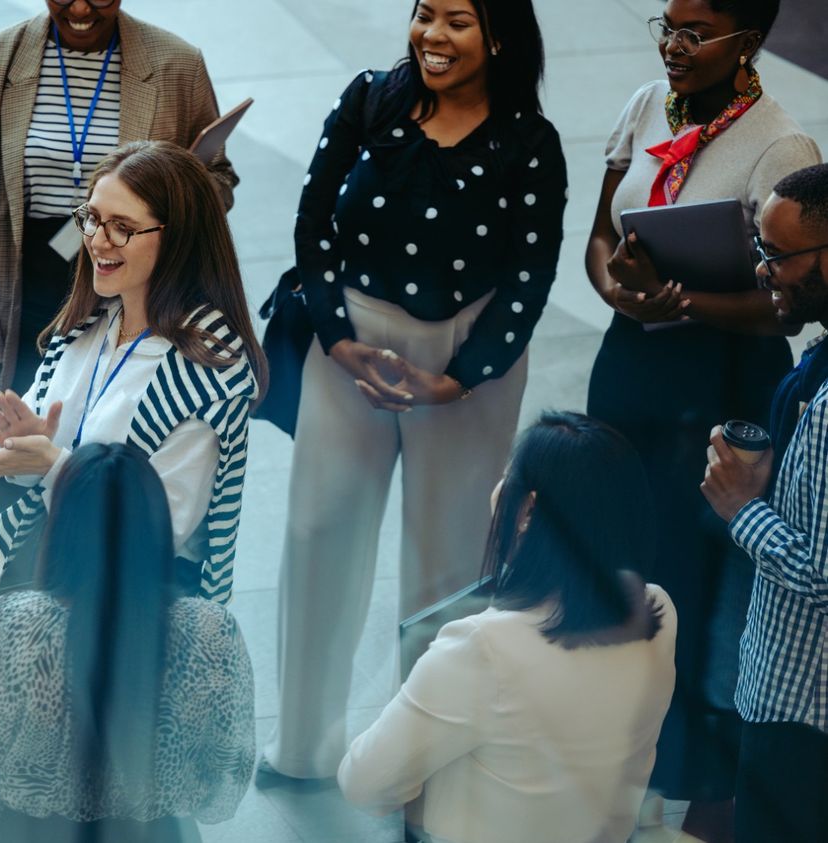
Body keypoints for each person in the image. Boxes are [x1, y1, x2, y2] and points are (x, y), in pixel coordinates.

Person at [264, 0, 566, 782]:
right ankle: (301, 745)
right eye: (424, 13)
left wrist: (459, 378)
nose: (432, 35)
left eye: (457, 21)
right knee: (316, 531)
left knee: (448, 562)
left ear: (499, 36)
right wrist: (337, 339)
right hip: (352, 346)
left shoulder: (529, 144)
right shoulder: (371, 99)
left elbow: (531, 276)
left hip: (466, 363)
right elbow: (313, 228)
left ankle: (421, 768)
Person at [583, 2, 820, 834]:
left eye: (694, 33)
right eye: (667, 27)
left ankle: (689, 775)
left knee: (691, 583)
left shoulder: (782, 146)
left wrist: (684, 302)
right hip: (632, 365)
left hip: (714, 380)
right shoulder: (647, 104)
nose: (673, 48)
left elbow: (785, 306)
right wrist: (625, 293)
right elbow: (601, 239)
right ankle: (617, 742)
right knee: (619, 560)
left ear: (747, 41)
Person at [0, 0, 240, 598]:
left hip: (144, 277)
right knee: (14, 460)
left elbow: (219, 184)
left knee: (107, 447)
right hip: (31, 289)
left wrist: (176, 191)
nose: (79, 6)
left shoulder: (176, 65)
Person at [339, 412, 677, 843]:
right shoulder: (659, 609)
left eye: (505, 477)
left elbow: (363, 784)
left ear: (528, 509)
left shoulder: (482, 647)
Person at [0, 140, 264, 601]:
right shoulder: (88, 324)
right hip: (62, 580)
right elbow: (44, 467)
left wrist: (53, 465)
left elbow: (164, 531)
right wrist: (31, 448)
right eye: (93, 218)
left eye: (122, 227)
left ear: (177, 238)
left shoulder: (210, 369)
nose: (97, 240)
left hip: (135, 612)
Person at [0, 442, 254, 842]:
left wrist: (7, 828)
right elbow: (227, 781)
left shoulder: (6, 627)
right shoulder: (213, 632)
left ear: (61, 526)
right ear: (157, 525)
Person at [701, 163, 828, 843]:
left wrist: (740, 504)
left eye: (776, 254)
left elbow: (823, 571)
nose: (762, 269)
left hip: (802, 710)